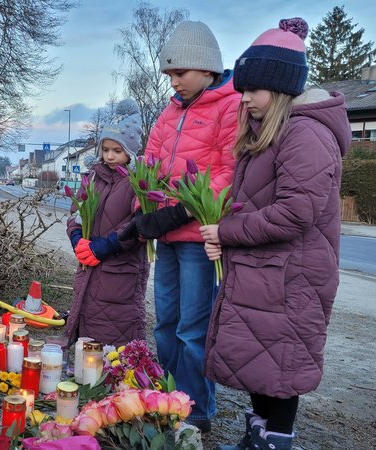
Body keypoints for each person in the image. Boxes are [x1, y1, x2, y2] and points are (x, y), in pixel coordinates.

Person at [201, 18, 349, 450]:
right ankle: (258, 439)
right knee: (261, 364)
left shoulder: (306, 133)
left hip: (292, 278)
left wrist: (227, 231)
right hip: (269, 274)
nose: (243, 98)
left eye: (252, 90)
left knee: (280, 369)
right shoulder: (273, 131)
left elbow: (294, 213)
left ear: (281, 88)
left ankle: (275, 442)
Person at [119, 20, 240, 432]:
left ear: (207, 68)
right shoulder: (169, 113)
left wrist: (184, 210)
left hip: (197, 238)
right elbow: (147, 167)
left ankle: (195, 409)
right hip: (165, 236)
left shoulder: (229, 107)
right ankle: (168, 398)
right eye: (169, 74)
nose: (173, 82)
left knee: (193, 328)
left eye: (179, 73)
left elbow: (228, 171)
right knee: (165, 323)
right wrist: (143, 210)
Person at [65, 99, 149, 347]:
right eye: (106, 149)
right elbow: (75, 212)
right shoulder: (92, 178)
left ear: (130, 152)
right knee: (88, 317)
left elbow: (138, 222)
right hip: (88, 264)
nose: (110, 156)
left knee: (116, 328)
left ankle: (117, 373)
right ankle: (86, 370)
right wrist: (77, 238)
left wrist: (106, 245)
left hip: (121, 268)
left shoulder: (138, 181)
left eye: (117, 151)